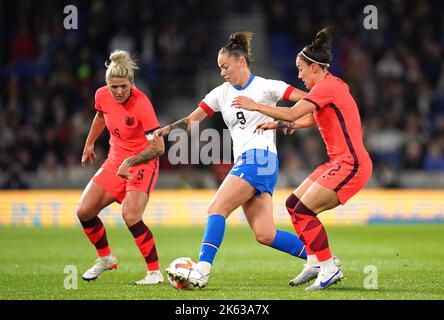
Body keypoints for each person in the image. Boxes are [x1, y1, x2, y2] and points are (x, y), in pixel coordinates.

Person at [154, 32, 337, 289]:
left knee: (216, 208)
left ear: (241, 62)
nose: (222, 72)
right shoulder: (220, 94)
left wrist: (301, 119)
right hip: (255, 163)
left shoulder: (266, 86)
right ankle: (320, 260)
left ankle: (202, 270)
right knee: (265, 234)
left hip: (259, 159)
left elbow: (309, 98)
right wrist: (168, 129)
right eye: (220, 68)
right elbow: (193, 119)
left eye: (225, 66)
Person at [233, 27, 373, 290]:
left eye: (301, 69)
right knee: (293, 203)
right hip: (337, 163)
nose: (298, 75)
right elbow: (310, 117)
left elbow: (295, 112)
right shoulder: (330, 87)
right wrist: (276, 125)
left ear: (315, 68)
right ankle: (314, 262)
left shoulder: (326, 87)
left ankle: (329, 267)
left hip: (351, 165)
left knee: (304, 211)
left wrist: (256, 106)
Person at [77, 50, 165, 285]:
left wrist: (130, 161)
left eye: (123, 87)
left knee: (131, 215)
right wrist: (89, 142)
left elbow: (158, 147)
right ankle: (105, 258)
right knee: (84, 212)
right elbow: (99, 117)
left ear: (131, 83)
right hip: (115, 161)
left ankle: (154, 273)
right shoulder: (102, 96)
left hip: (142, 162)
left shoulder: (142, 104)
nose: (118, 92)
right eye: (113, 87)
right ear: (107, 85)